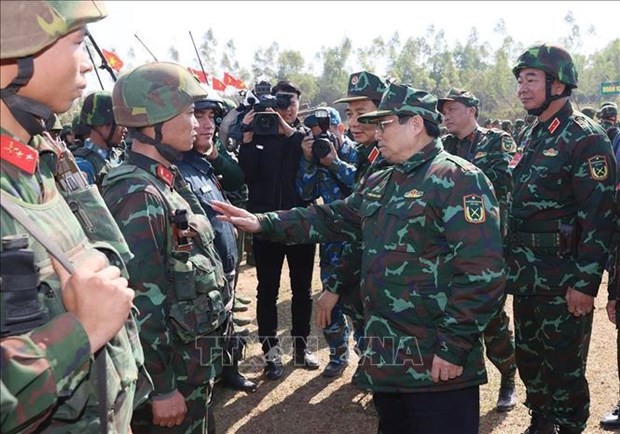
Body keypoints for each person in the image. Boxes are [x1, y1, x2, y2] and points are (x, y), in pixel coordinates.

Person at [212, 83, 505, 434]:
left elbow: (482, 274)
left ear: (415, 124)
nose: (376, 132)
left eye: (385, 124)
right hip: (390, 361)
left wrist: (455, 347)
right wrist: (264, 222)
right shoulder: (383, 180)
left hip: (437, 363)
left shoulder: (459, 179)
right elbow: (331, 218)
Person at [0, 1, 147, 432]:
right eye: (78, 43)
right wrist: (79, 333)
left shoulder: (36, 162)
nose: (86, 67)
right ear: (12, 55)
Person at [103, 62, 231, 434]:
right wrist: (162, 389)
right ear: (156, 121)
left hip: (190, 364)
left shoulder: (163, 181)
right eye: (190, 113)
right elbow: (141, 301)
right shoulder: (137, 194)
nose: (198, 123)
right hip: (172, 376)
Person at [508, 43, 617, 434]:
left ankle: (569, 425)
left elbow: (600, 218)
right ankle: (541, 419)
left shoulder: (585, 138)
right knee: (531, 359)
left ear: (558, 84)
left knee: (565, 367)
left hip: (564, 278)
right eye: (520, 80)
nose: (522, 88)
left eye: (531, 79)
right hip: (526, 276)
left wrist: (585, 284)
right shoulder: (531, 133)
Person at [438, 87, 518, 412]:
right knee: (453, 317)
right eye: (443, 110)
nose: (446, 115)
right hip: (449, 250)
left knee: (492, 320)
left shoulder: (497, 141)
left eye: (452, 109)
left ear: (472, 109)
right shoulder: (442, 146)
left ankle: (509, 375)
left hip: (487, 246)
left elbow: (502, 183)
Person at [176, 90, 257, 394]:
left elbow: (237, 179)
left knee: (226, 319)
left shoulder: (203, 163)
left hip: (225, 262)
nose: (208, 124)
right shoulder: (176, 167)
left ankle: (229, 370)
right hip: (203, 273)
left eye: (212, 117)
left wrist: (213, 153)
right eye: (199, 115)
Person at [237, 80, 319, 380]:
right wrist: (247, 137)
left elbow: (311, 159)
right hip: (266, 224)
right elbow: (247, 173)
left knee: (302, 290)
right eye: (279, 103)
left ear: (298, 104)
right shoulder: (259, 131)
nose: (285, 108)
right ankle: (271, 355)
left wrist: (288, 130)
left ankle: (301, 348)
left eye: (291, 102)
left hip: (299, 223)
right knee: (267, 291)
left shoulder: (305, 135)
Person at [313, 71, 389, 367]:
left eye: (362, 113)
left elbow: (363, 230)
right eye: (349, 113)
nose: (353, 122)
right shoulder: (366, 155)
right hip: (358, 263)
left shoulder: (389, 160)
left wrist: (333, 286)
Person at [297, 106, 358, 378]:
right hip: (332, 242)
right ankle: (337, 355)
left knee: (361, 306)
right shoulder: (314, 159)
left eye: (327, 130)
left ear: (340, 128)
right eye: (314, 133)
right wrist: (309, 161)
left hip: (359, 242)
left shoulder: (359, 153)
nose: (322, 137)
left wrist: (334, 162)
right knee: (329, 304)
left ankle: (367, 359)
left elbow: (360, 185)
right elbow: (305, 192)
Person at [74, 90, 127, 187]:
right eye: (120, 123)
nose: (125, 129)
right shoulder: (83, 166)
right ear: (102, 125)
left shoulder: (119, 155)